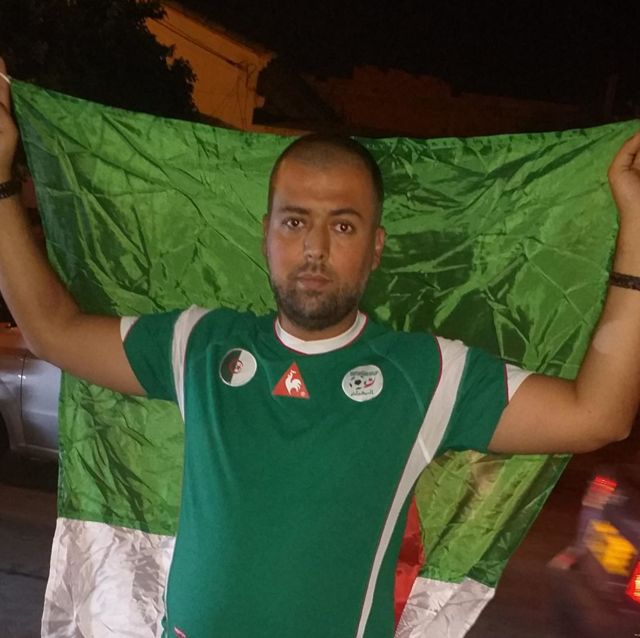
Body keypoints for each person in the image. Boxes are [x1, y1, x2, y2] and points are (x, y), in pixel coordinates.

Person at [1, 58, 639, 637]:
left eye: (343, 225)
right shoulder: (199, 343)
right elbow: (52, 331)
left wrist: (637, 224)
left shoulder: (427, 374)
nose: (315, 248)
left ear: (376, 247)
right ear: (267, 234)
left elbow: (598, 415)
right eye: (295, 221)